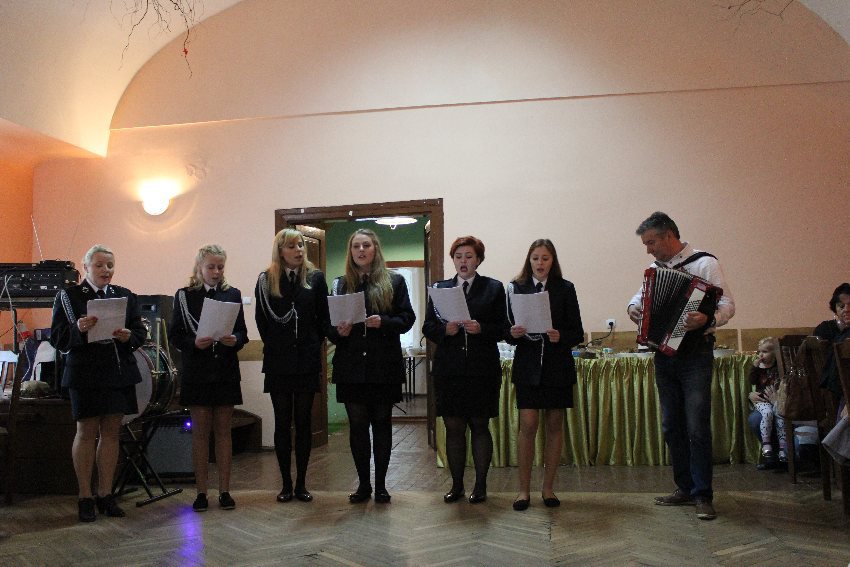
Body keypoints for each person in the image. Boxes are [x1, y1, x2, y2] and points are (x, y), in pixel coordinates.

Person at [627, 212, 735, 521]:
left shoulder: (705, 263)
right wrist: (633, 307)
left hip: (696, 354)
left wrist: (707, 319)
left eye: (651, 243)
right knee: (671, 425)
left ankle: (703, 494)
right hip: (664, 354)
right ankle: (684, 487)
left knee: (697, 425)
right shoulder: (655, 270)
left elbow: (727, 305)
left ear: (669, 236)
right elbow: (639, 297)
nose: (649, 250)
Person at [50, 244, 147, 522]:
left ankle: (106, 494)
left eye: (110, 265)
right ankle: (85, 496)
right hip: (85, 374)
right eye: (100, 265)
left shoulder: (124, 295)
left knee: (112, 433)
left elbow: (139, 332)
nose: (106, 270)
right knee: (86, 432)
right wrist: (78, 329)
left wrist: (129, 336)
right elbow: (57, 338)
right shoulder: (68, 296)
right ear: (86, 268)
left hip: (117, 372)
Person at [327, 229, 415, 504]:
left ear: (375, 249)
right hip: (351, 366)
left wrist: (384, 322)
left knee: (381, 424)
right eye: (356, 246)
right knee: (357, 426)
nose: (361, 250)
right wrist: (338, 332)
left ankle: (381, 486)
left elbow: (408, 319)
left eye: (366, 245)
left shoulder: (395, 281)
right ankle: (363, 485)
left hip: (383, 366)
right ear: (351, 252)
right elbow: (328, 326)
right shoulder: (340, 284)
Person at [423, 235, 507, 505]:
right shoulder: (441, 288)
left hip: (482, 369)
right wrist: (444, 330)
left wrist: (482, 328)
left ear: (478, 260)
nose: (463, 261)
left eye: (469, 256)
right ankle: (456, 485)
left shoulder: (493, 288)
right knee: (453, 426)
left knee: (480, 425)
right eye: (458, 256)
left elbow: (504, 328)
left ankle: (480, 486)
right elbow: (427, 326)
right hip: (450, 369)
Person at [506, 239, 584, 511]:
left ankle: (548, 489)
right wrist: (512, 333)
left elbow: (577, 331)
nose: (540, 263)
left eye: (545, 258)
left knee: (554, 425)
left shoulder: (565, 288)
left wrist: (561, 336)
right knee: (528, 424)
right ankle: (523, 491)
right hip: (527, 366)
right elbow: (506, 330)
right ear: (529, 260)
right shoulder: (516, 288)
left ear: (553, 261)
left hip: (557, 366)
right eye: (535, 258)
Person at [169, 244, 248, 512]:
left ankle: (225, 491)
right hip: (197, 372)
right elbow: (175, 335)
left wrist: (235, 339)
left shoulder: (232, 294)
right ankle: (201, 492)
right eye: (211, 267)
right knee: (200, 434)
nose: (216, 272)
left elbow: (242, 332)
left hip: (225, 370)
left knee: (224, 432)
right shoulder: (184, 296)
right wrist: (193, 343)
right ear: (200, 267)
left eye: (220, 267)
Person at [255, 229, 330, 504]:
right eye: (291, 246)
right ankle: (285, 484)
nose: (298, 250)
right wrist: (280, 345)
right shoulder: (266, 280)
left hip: (306, 361)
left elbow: (323, 318)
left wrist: (311, 343)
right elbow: (262, 320)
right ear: (280, 250)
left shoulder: (315, 278)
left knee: (304, 421)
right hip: (278, 362)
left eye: (300, 245)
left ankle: (301, 484)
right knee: (282, 422)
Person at [747, 337, 786, 468]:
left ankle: (783, 449)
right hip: (763, 401)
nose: (761, 355)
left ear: (775, 353)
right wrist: (755, 366)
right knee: (766, 414)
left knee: (781, 419)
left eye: (765, 352)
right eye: (759, 352)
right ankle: (767, 446)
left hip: (778, 400)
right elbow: (751, 380)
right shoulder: (759, 368)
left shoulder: (779, 366)